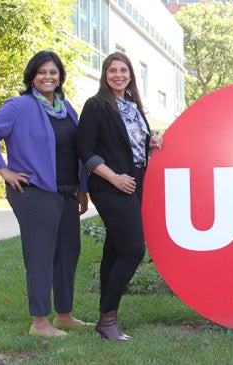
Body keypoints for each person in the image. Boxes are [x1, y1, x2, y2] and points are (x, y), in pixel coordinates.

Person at [0, 51, 91, 337]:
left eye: (53, 72)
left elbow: (75, 151)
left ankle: (63, 315)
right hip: (33, 192)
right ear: (32, 77)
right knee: (40, 254)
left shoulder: (67, 109)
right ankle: (40, 322)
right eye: (42, 72)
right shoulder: (19, 106)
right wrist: (4, 170)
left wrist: (82, 189)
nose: (48, 77)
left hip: (65, 192)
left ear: (60, 77)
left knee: (68, 252)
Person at [76, 52, 163, 342]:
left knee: (115, 250)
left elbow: (127, 145)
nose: (118, 75)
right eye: (112, 70)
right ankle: (108, 319)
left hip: (135, 182)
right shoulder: (96, 105)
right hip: (110, 185)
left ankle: (106, 319)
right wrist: (113, 177)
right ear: (105, 74)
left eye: (123, 70)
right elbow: (85, 150)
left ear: (130, 75)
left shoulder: (132, 106)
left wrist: (150, 142)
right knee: (133, 250)